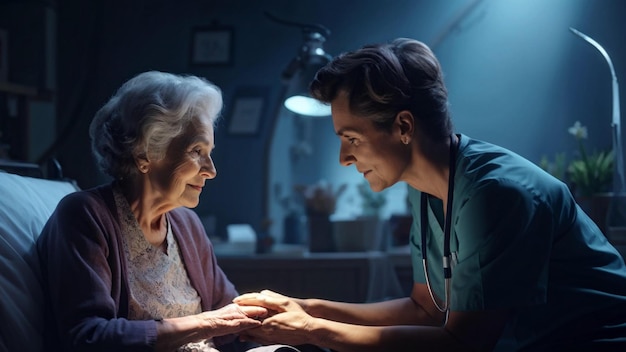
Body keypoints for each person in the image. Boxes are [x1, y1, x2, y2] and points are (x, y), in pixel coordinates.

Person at [234, 38, 626, 351]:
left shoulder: (495, 193)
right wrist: (307, 309)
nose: (344, 158)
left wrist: (313, 331)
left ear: (404, 126)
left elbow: (463, 342)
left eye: (352, 138)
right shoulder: (431, 190)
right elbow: (424, 310)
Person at [36, 71, 278, 352]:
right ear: (145, 153)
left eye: (210, 152)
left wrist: (299, 322)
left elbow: (229, 318)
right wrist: (207, 323)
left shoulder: (186, 224)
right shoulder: (85, 215)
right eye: (196, 150)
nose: (211, 170)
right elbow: (88, 337)